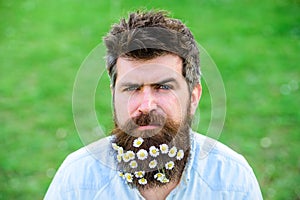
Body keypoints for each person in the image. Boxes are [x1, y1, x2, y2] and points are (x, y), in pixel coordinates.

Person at [45, 10, 263, 199]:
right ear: (113, 96)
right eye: (131, 88)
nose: (146, 105)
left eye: (163, 87)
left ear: (193, 97)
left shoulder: (233, 182)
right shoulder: (76, 181)